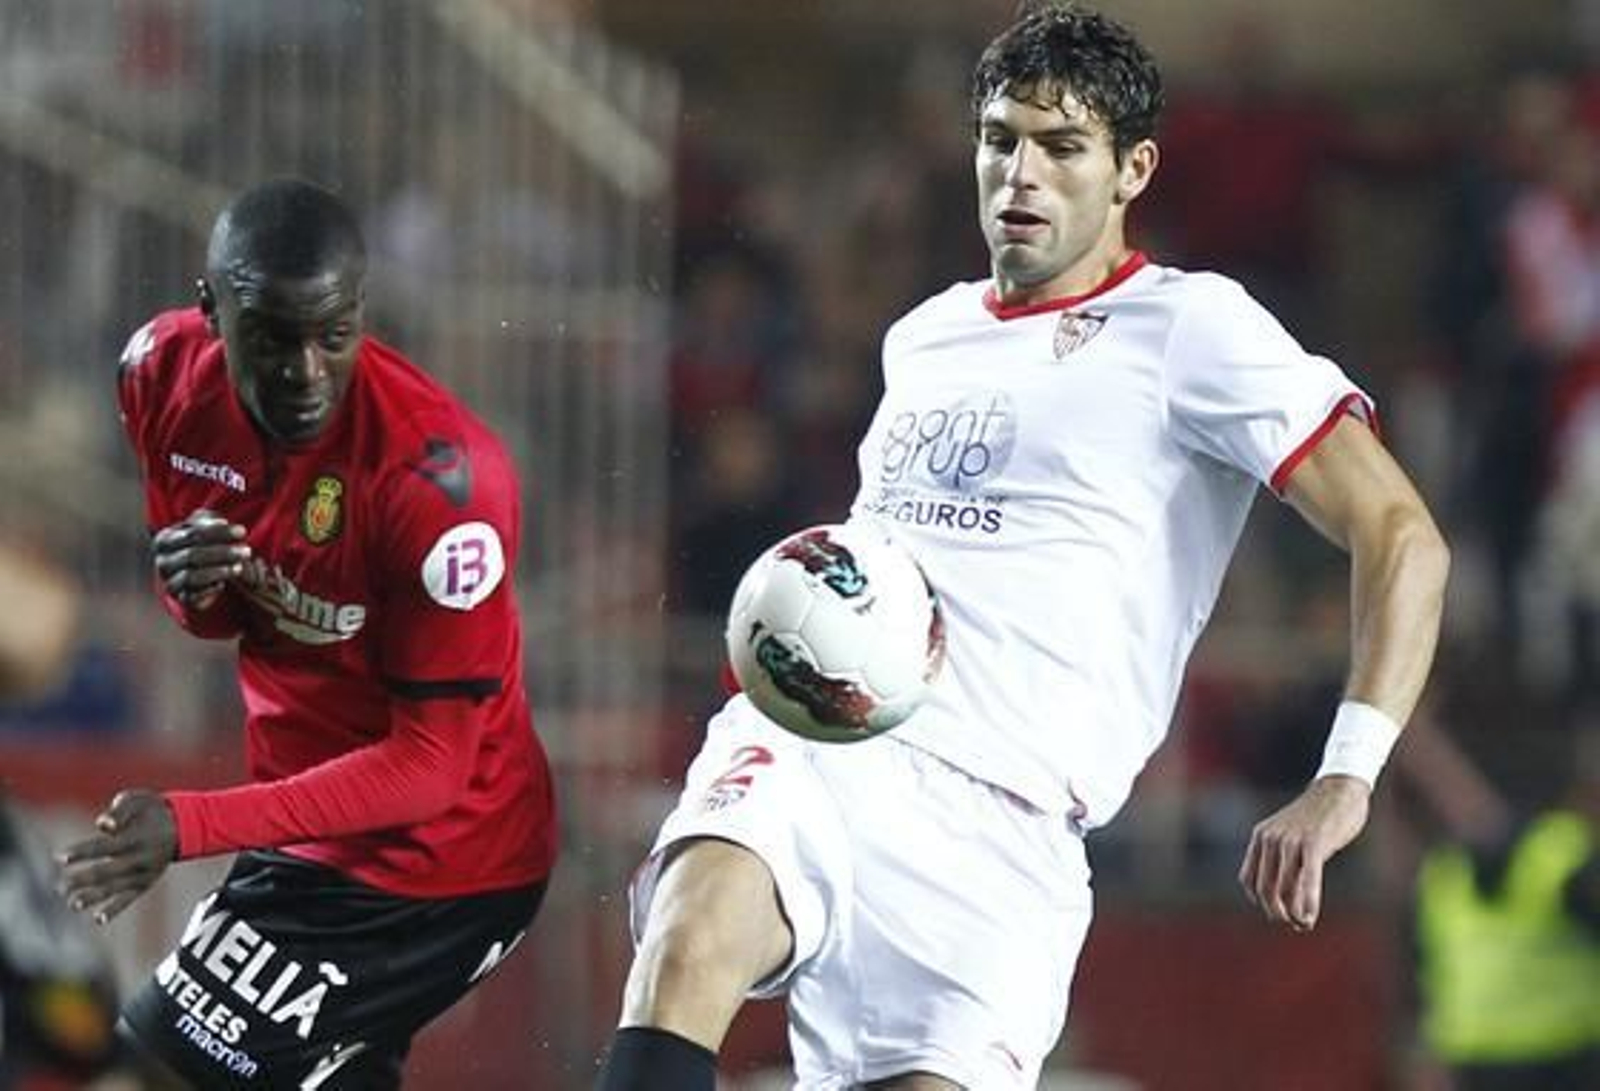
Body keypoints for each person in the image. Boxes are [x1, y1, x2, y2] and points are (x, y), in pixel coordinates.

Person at [595, 5, 1451, 1089]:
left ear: (1132, 168)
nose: (1020, 176)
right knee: (688, 936)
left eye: (1060, 147)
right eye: (1000, 139)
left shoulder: (1195, 329)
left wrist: (1347, 775)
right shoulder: (924, 337)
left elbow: (1401, 533)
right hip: (826, 746)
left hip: (1005, 828)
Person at [56, 177, 559, 1089]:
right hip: (314, 831)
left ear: (361, 311)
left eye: (333, 335)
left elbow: (431, 765)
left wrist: (192, 823)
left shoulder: (443, 488)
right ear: (211, 311)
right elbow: (220, 617)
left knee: (137, 1076)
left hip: (440, 863)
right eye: (273, 338)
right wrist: (191, 591)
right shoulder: (158, 376)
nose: (304, 371)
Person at [1412, 729, 1600, 1090]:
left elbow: (1421, 972)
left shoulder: (1441, 874)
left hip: (1472, 1057)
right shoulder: (1564, 855)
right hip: (1568, 1056)